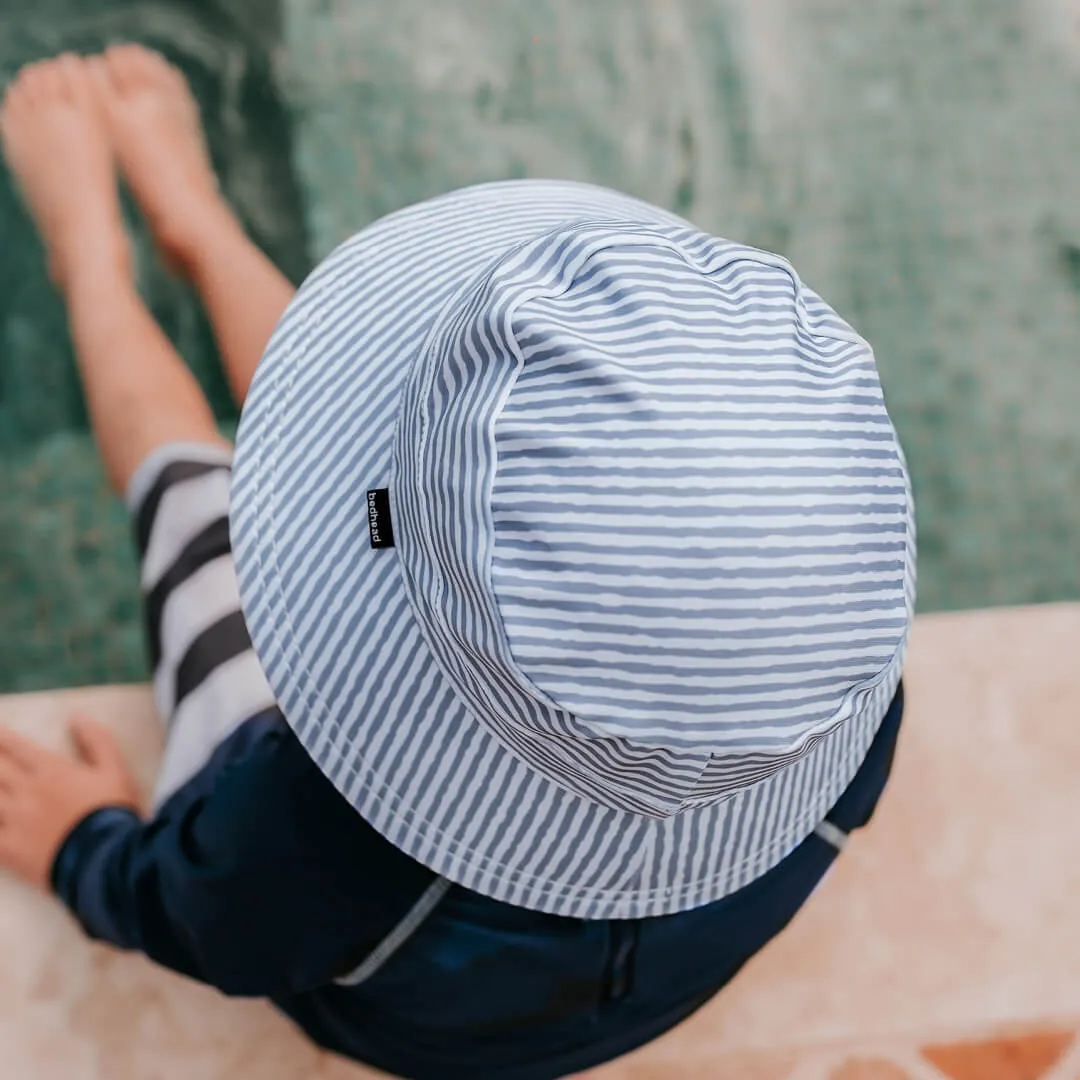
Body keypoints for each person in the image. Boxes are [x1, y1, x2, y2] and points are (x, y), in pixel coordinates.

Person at [0, 46, 915, 1080]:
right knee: (405, 462)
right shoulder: (831, 711)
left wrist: (87, 847)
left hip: (411, 1022)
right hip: (587, 1006)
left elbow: (201, 913)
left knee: (216, 497)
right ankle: (198, 226)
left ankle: (94, 252)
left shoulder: (313, 833)